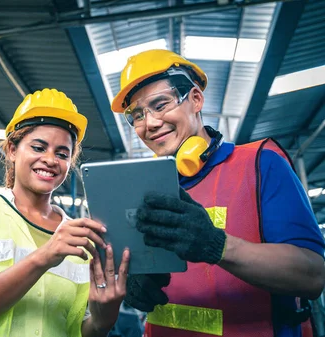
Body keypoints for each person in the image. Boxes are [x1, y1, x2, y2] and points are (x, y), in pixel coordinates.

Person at [110, 49, 325, 337]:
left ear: (196, 99)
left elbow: (312, 275)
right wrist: (132, 285)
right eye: (137, 115)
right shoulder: (143, 188)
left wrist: (217, 245)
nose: (149, 123)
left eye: (160, 105)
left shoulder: (260, 163)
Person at [0, 88, 130, 337]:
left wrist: (102, 321)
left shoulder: (80, 235)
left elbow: (79, 328)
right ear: (12, 150)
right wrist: (44, 256)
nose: (50, 160)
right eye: (39, 148)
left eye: (62, 154)